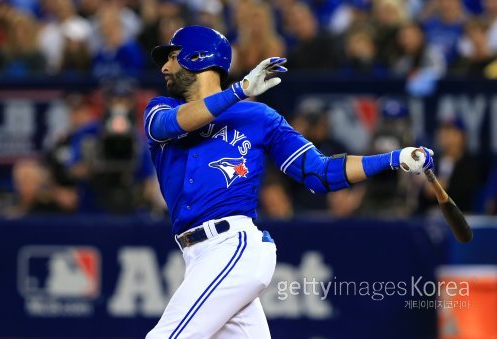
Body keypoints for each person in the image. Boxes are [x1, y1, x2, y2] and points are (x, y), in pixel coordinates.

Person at [143, 25, 434, 338]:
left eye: (173, 57)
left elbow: (319, 173)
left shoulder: (258, 117)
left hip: (232, 246)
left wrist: (392, 159)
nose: (164, 67)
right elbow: (170, 125)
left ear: (197, 58)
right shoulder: (160, 108)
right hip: (196, 256)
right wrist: (238, 90)